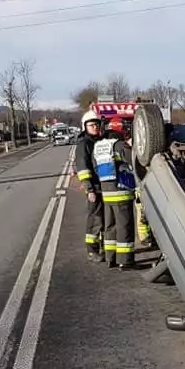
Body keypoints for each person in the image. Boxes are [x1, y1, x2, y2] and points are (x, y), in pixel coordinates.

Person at [94, 117, 136, 268]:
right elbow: (133, 160)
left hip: (106, 193)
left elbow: (95, 167)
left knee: (110, 226)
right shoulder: (119, 145)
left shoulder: (98, 146)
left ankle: (110, 257)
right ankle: (125, 261)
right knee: (124, 226)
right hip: (121, 191)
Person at [75, 110, 105, 263]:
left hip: (103, 185)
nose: (95, 127)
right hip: (94, 187)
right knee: (95, 219)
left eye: (97, 124)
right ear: (85, 126)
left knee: (104, 218)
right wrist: (89, 189)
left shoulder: (97, 141)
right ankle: (92, 250)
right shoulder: (84, 144)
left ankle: (102, 247)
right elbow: (82, 168)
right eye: (92, 125)